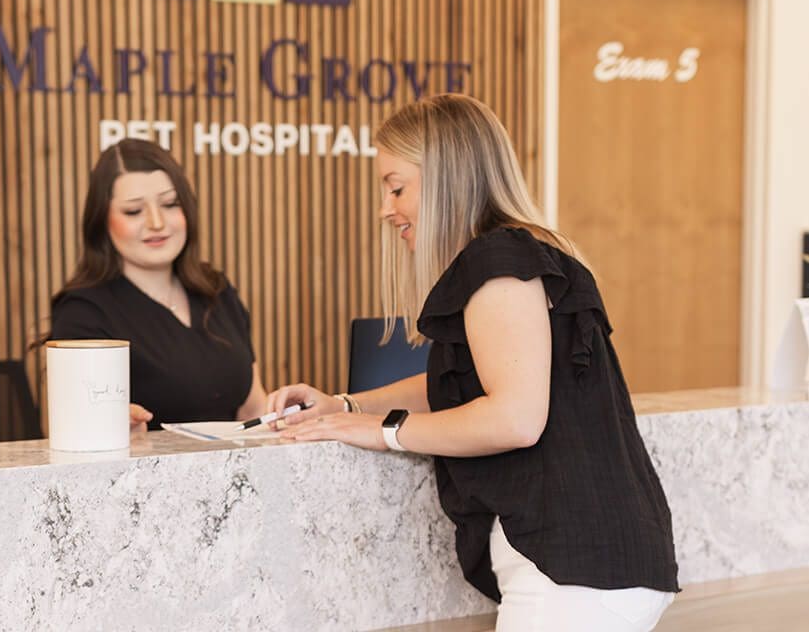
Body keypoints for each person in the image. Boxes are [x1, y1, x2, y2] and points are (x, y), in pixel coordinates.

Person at [264, 94, 679, 631]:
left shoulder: (499, 260)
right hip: (592, 565)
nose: (386, 209)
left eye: (397, 187)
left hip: (578, 572)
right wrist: (345, 406)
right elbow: (456, 383)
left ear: (445, 178)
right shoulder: (518, 255)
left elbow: (514, 419)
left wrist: (385, 431)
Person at [43, 138, 267, 430]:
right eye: (134, 211)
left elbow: (253, 409)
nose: (157, 222)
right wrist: (111, 426)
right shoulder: (83, 312)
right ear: (102, 221)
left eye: (170, 204)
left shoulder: (216, 290)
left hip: (234, 460)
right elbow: (66, 429)